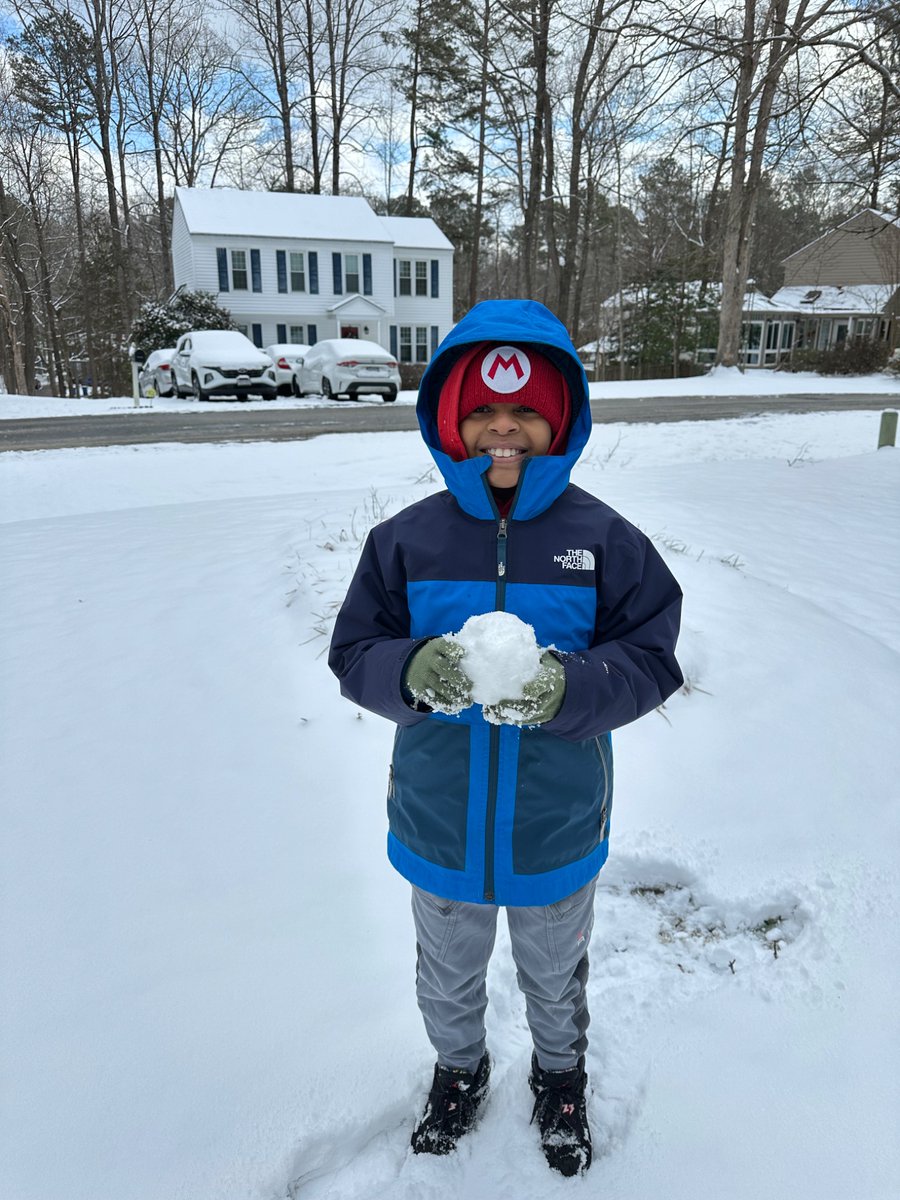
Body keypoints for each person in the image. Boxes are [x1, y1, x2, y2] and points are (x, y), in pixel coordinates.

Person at [328, 299, 683, 1177]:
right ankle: (459, 1068)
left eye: (524, 411)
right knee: (445, 974)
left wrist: (574, 688)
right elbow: (355, 649)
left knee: (554, 973)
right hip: (439, 819)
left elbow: (651, 653)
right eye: (483, 410)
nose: (503, 428)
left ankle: (560, 1075)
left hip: (552, 823)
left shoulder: (602, 540)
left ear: (558, 420)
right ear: (450, 419)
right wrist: (409, 672)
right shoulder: (405, 540)